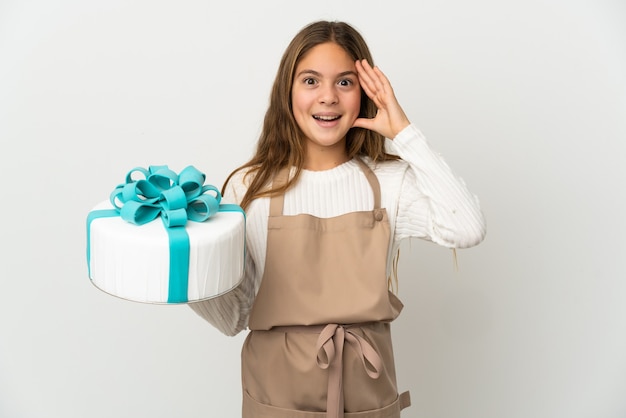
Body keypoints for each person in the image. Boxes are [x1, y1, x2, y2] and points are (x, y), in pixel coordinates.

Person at [189, 20, 486, 418]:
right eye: (310, 81)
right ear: (287, 92)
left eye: (344, 82)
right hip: (275, 400)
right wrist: (182, 265)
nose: (327, 97)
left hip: (368, 397)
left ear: (364, 91)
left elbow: (467, 228)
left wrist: (403, 131)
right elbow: (234, 317)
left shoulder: (389, 182)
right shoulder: (250, 188)